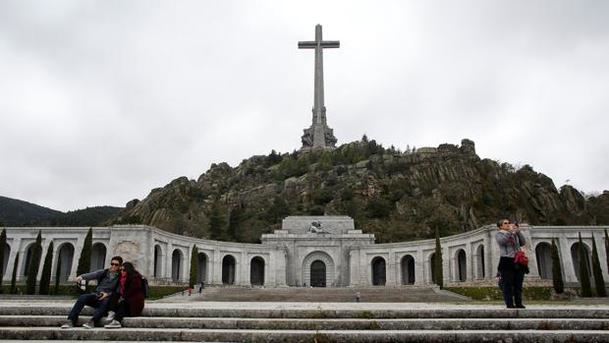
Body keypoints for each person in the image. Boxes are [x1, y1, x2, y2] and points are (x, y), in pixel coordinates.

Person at [61, 256, 123, 329]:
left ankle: (92, 321)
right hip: (97, 295)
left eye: (116, 265)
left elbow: (118, 292)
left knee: (105, 302)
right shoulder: (104, 272)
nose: (113, 266)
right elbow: (93, 274)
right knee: (83, 297)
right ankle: (71, 320)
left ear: (120, 266)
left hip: (107, 299)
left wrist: (107, 294)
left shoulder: (121, 277)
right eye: (112, 264)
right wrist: (81, 277)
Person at [495, 219, 527, 309]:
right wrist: (510, 232)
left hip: (518, 260)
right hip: (506, 260)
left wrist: (518, 232)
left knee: (518, 283)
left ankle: (519, 303)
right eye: (505, 223)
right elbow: (502, 242)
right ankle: (509, 304)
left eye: (509, 223)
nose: (508, 224)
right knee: (507, 284)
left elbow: (523, 242)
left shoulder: (514, 234)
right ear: (500, 226)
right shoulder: (499, 234)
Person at [104, 262, 146, 329]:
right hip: (127, 301)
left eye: (124, 270)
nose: (122, 272)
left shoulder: (135, 278)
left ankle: (117, 321)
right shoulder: (123, 278)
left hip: (135, 304)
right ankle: (112, 312)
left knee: (123, 303)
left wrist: (122, 298)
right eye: (121, 270)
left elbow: (132, 292)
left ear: (128, 270)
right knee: (115, 295)